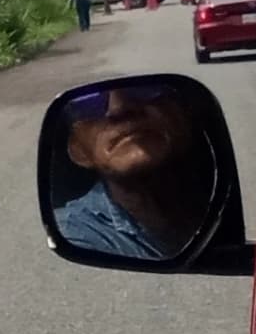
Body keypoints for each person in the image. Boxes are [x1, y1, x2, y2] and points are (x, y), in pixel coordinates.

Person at [55, 80, 216, 262]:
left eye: (142, 87)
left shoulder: (216, 191)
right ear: (79, 152)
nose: (119, 108)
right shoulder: (74, 234)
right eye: (88, 101)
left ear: (182, 113)